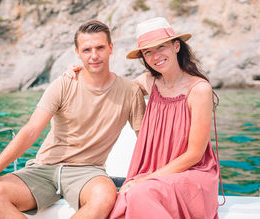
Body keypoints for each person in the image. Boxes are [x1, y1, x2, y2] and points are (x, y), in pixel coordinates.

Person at [0, 19, 146, 219]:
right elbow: (31, 130)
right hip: (44, 168)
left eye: (100, 48)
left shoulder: (130, 91)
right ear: (77, 53)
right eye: (87, 50)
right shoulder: (64, 84)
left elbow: (144, 141)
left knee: (104, 197)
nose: (94, 55)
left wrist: (141, 177)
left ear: (111, 48)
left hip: (87, 172)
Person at [68, 17, 220, 218]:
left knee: (139, 193)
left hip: (191, 176)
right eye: (148, 51)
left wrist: (145, 180)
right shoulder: (149, 82)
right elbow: (109, 91)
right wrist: (82, 73)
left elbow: (194, 154)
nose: (155, 55)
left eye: (161, 47)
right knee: (120, 203)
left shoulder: (199, 89)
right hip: (155, 176)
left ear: (176, 46)